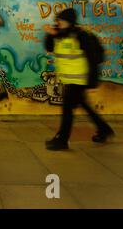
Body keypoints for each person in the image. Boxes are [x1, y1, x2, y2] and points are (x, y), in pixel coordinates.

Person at [44, 8, 115, 151]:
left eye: (60, 20)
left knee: (67, 108)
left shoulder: (80, 35)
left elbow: (93, 57)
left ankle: (62, 140)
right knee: (84, 105)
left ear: (68, 22)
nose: (57, 23)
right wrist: (49, 34)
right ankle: (104, 129)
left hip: (79, 80)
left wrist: (92, 80)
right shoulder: (60, 35)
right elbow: (49, 47)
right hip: (70, 79)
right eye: (57, 20)